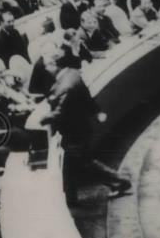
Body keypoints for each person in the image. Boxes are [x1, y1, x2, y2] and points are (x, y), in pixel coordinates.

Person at [40, 55, 132, 205]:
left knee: (85, 163)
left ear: (54, 64)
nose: (45, 68)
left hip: (74, 132)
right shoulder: (73, 74)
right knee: (70, 167)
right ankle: (70, 200)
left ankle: (121, 181)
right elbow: (86, 98)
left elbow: (59, 112)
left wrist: (43, 118)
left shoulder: (66, 85)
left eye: (47, 65)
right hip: (80, 128)